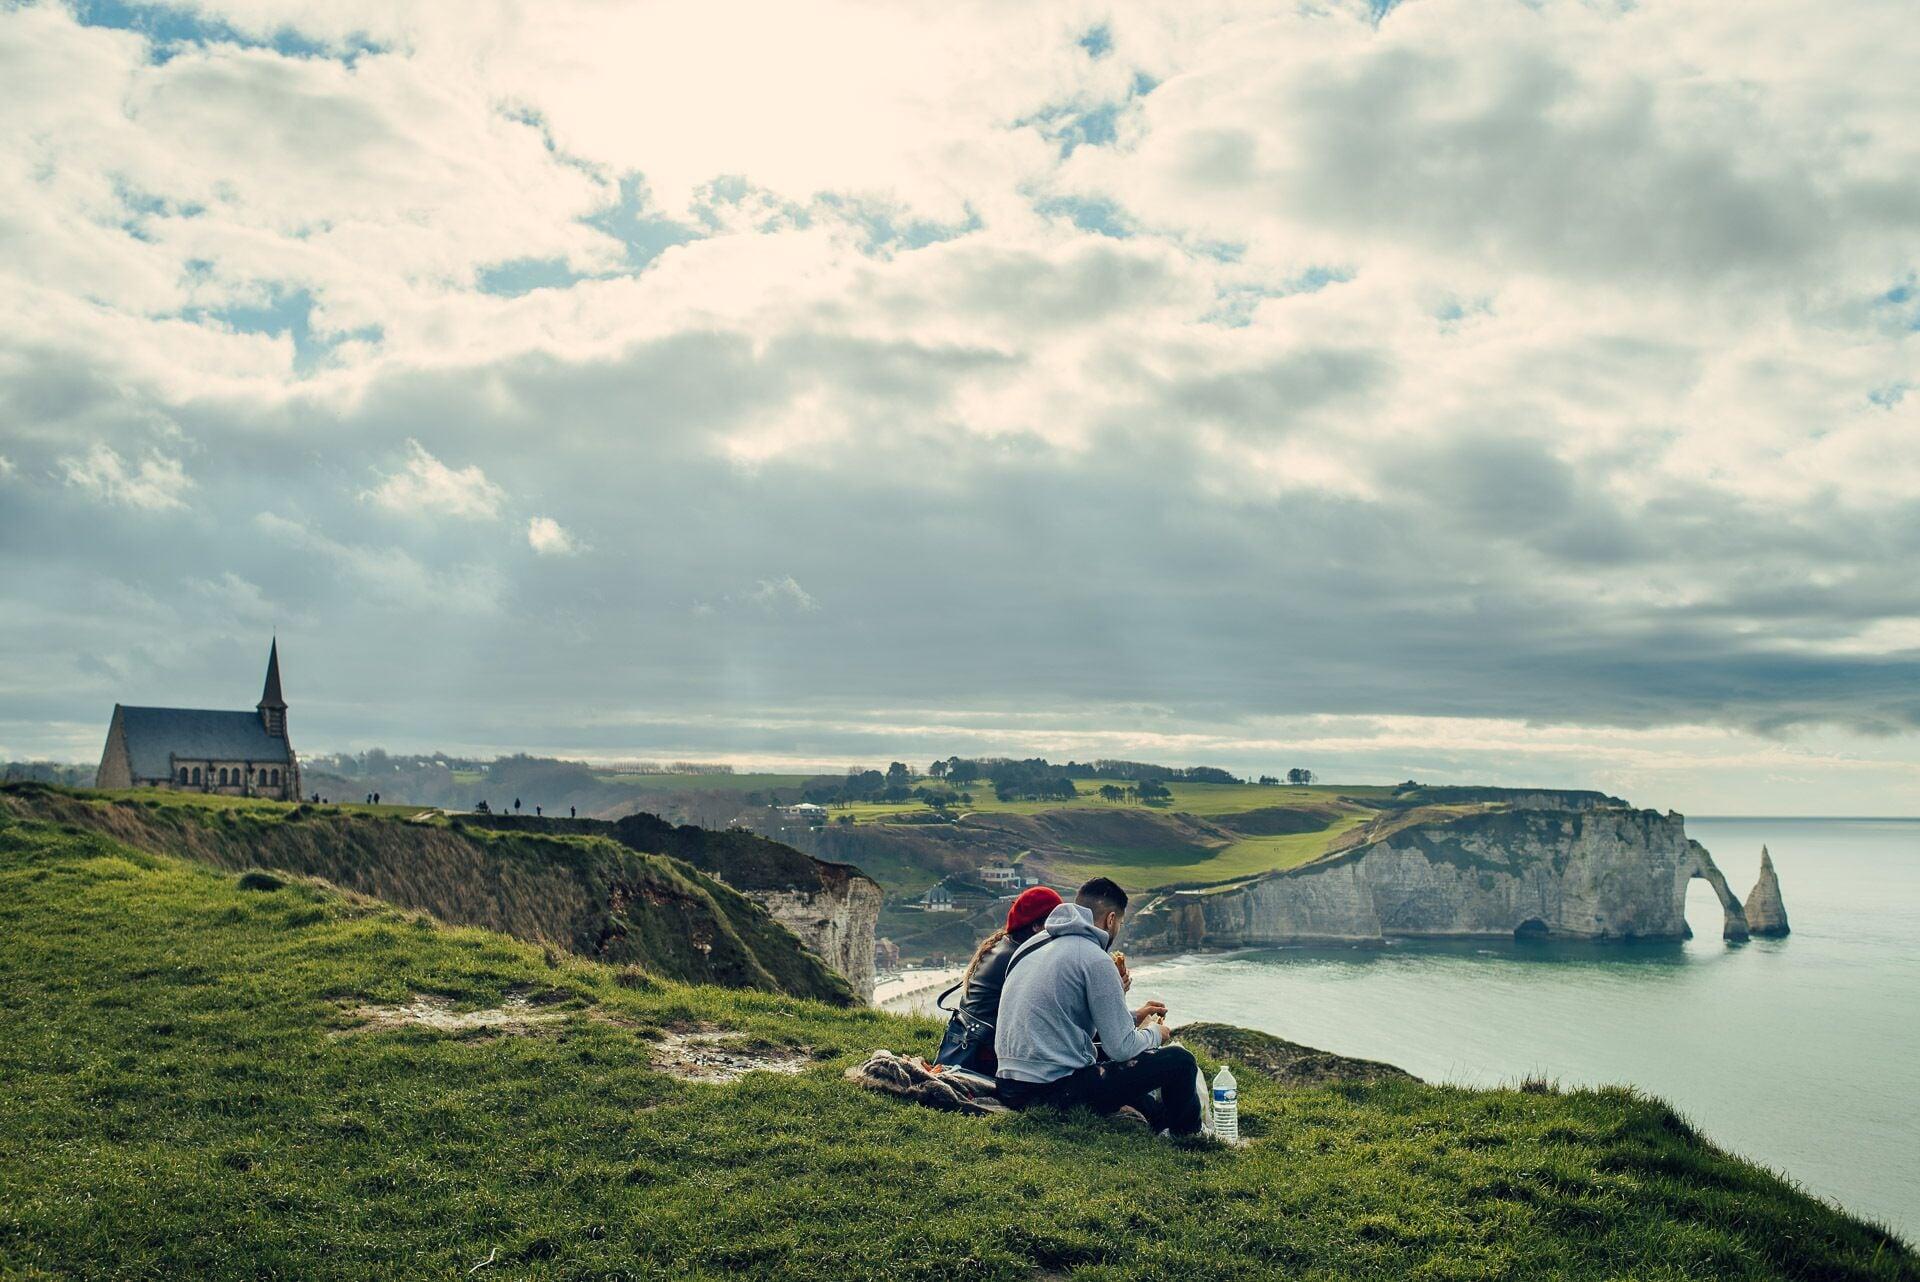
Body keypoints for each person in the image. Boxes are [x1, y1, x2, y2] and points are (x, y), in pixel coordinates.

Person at [993, 877, 1203, 1135]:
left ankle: (1160, 1120)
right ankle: (1189, 1136)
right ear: (1111, 919)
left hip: (1008, 1084)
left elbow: (1069, 1014)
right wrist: (1155, 1034)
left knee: (1114, 1071)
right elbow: (1121, 1048)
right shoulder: (1095, 958)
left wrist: (1134, 1017)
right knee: (1179, 1060)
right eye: (1121, 923)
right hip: (1050, 1091)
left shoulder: (1032, 945)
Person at [934, 886, 1062, 1073]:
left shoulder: (1003, 945)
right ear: (1036, 926)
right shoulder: (1023, 959)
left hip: (969, 1047)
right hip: (985, 1058)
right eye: (1057, 923)